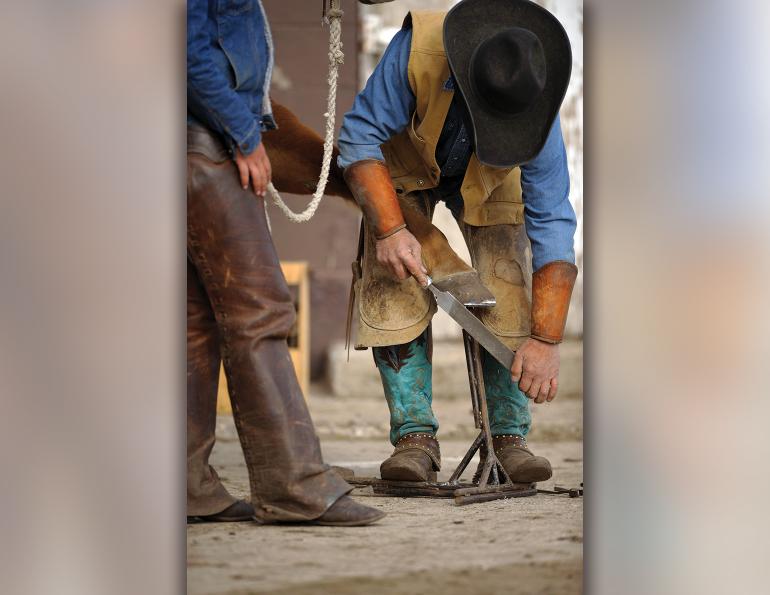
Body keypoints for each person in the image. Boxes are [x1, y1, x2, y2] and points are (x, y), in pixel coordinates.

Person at [338, 0, 578, 484]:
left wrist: (546, 338)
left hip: (491, 178)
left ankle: (508, 438)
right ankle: (414, 438)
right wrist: (389, 229)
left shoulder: (535, 100)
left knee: (507, 283)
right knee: (393, 285)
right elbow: (358, 134)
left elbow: (552, 216)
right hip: (403, 164)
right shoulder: (417, 51)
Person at [186, 0, 384, 526]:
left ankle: (186, 487)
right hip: (207, 144)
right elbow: (185, 48)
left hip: (192, 139)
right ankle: (295, 487)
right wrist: (245, 135)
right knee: (261, 313)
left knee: (196, 323)